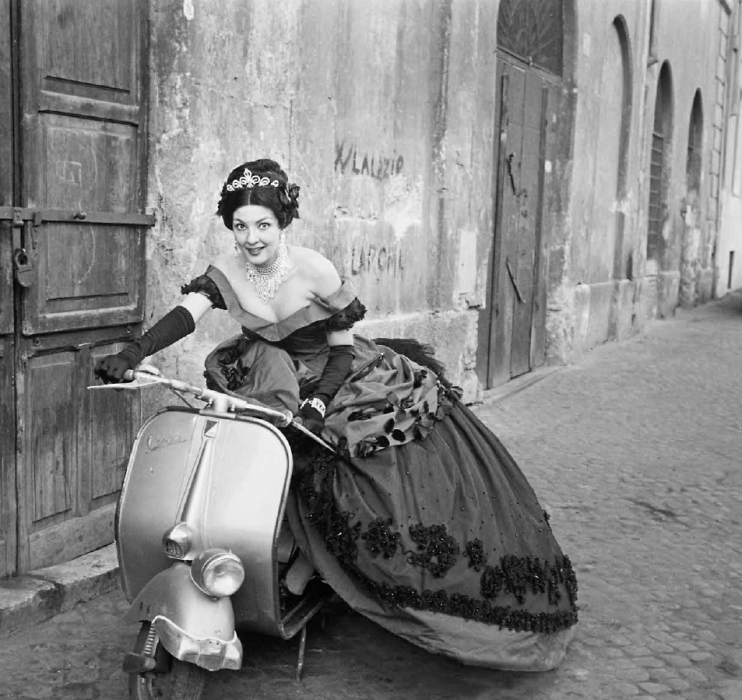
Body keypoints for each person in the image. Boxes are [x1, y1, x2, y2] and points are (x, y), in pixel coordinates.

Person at [95, 158, 578, 671]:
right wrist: (136, 351)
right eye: (241, 227)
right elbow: (184, 315)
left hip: (338, 376)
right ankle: (270, 556)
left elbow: (342, 351)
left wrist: (321, 401)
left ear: (283, 223)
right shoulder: (227, 272)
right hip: (270, 375)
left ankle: (322, 565)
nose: (252, 238)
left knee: (361, 475)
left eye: (263, 225)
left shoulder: (315, 270)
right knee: (250, 453)